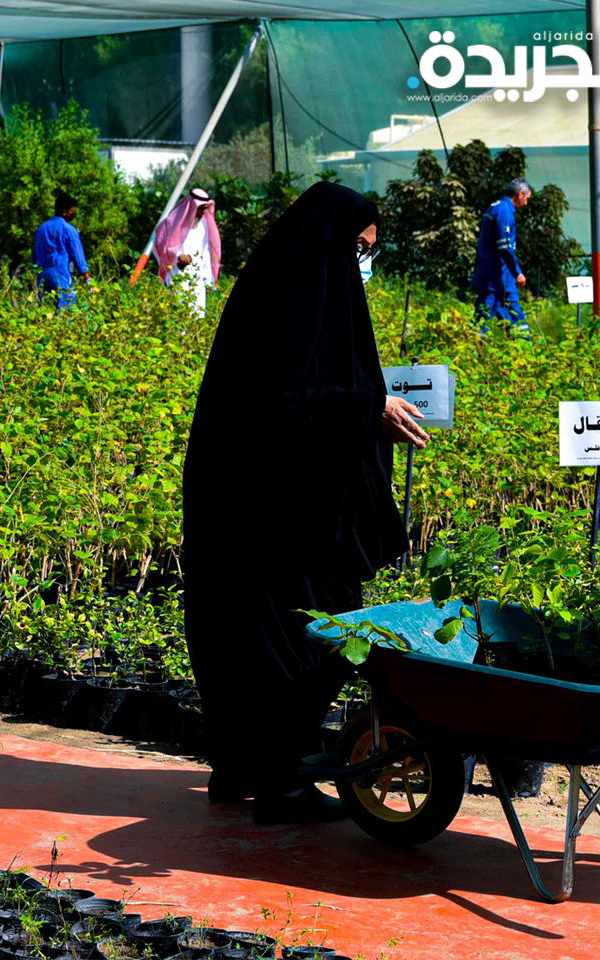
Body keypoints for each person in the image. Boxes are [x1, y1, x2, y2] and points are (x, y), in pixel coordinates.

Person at [182, 182, 429, 823]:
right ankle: (281, 784)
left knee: (252, 636)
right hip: (270, 517)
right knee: (316, 633)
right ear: (331, 241)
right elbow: (279, 404)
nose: (363, 264)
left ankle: (240, 769)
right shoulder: (293, 299)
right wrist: (367, 406)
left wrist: (362, 405)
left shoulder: (284, 287)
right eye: (359, 249)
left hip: (257, 509)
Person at [471, 177, 531, 335]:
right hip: (498, 277)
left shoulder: (494, 208)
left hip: (492, 277)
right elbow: (504, 247)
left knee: (483, 319)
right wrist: (517, 272)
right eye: (526, 198)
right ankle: (525, 353)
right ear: (519, 194)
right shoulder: (504, 211)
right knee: (512, 318)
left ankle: (521, 353)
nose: (526, 203)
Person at [154, 187, 221, 317]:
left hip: (198, 277)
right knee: (180, 315)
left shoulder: (203, 225)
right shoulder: (175, 222)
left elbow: (205, 252)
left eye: (204, 209)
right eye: (200, 208)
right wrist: (178, 255)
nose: (202, 213)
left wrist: (208, 280)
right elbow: (163, 244)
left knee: (198, 316)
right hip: (178, 275)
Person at [32, 190, 89, 310]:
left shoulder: (41, 229)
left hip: (42, 275)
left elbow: (34, 256)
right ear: (64, 211)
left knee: (45, 311)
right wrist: (87, 278)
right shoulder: (68, 229)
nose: (74, 214)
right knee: (66, 312)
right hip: (61, 274)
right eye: (72, 211)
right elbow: (78, 255)